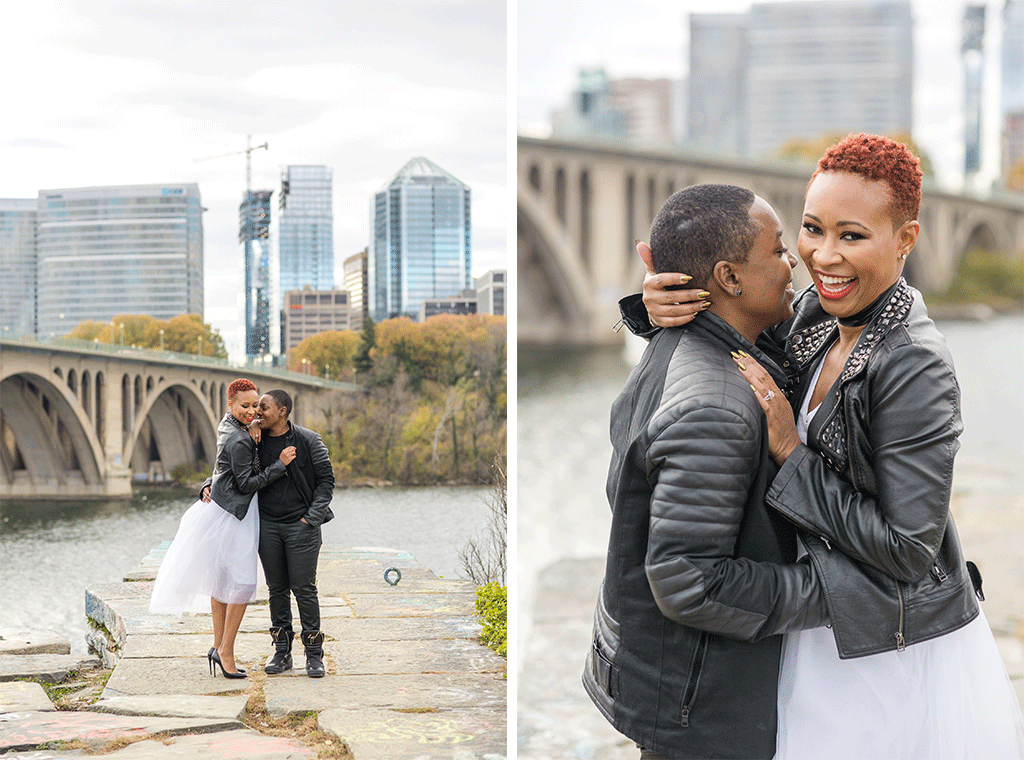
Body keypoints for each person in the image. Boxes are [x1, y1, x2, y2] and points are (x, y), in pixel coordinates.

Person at [634, 133, 1024, 758]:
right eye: (812, 230)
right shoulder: (819, 313)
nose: (823, 256)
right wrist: (655, 306)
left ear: (906, 239)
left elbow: (908, 549)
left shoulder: (915, 367)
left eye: (853, 236)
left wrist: (792, 453)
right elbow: (740, 314)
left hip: (884, 653)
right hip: (818, 630)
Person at [583, 183, 837, 760]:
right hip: (699, 708)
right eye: (777, 250)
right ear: (729, 277)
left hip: (675, 685)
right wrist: (835, 590)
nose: (793, 259)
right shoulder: (718, 403)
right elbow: (688, 581)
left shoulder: (683, 347)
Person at [150, 378, 295, 678]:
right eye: (245, 406)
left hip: (223, 509)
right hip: (234, 514)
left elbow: (221, 467)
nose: (251, 411)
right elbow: (245, 483)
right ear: (230, 404)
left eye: (255, 405)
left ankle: (219, 646)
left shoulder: (229, 425)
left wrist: (209, 481)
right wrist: (279, 464)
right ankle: (225, 651)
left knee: (221, 582)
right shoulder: (239, 437)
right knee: (241, 585)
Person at [202, 389, 335, 678]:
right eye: (254, 407)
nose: (257, 412)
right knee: (277, 590)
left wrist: (310, 519)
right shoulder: (255, 439)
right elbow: (232, 465)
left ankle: (314, 654)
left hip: (301, 527)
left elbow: (327, 482)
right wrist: (208, 483)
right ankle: (282, 651)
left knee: (304, 589)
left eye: (264, 407)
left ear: (283, 411)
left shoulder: (308, 440)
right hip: (267, 526)